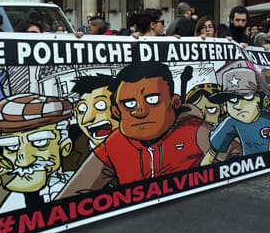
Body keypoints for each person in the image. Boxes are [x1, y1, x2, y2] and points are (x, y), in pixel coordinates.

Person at [58, 62, 210, 196]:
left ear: (174, 102)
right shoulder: (114, 143)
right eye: (129, 104)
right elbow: (72, 195)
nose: (140, 111)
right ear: (117, 111)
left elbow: (230, 161)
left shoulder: (194, 130)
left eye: (152, 99)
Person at [0, 94, 74, 212]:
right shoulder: (10, 202)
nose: (24, 160)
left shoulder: (81, 181)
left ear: (65, 147)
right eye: (12, 147)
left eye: (40, 142)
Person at [201, 67, 270, 165]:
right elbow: (213, 150)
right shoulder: (231, 122)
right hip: (249, 167)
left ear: (261, 100)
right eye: (232, 100)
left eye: (247, 97)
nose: (238, 106)